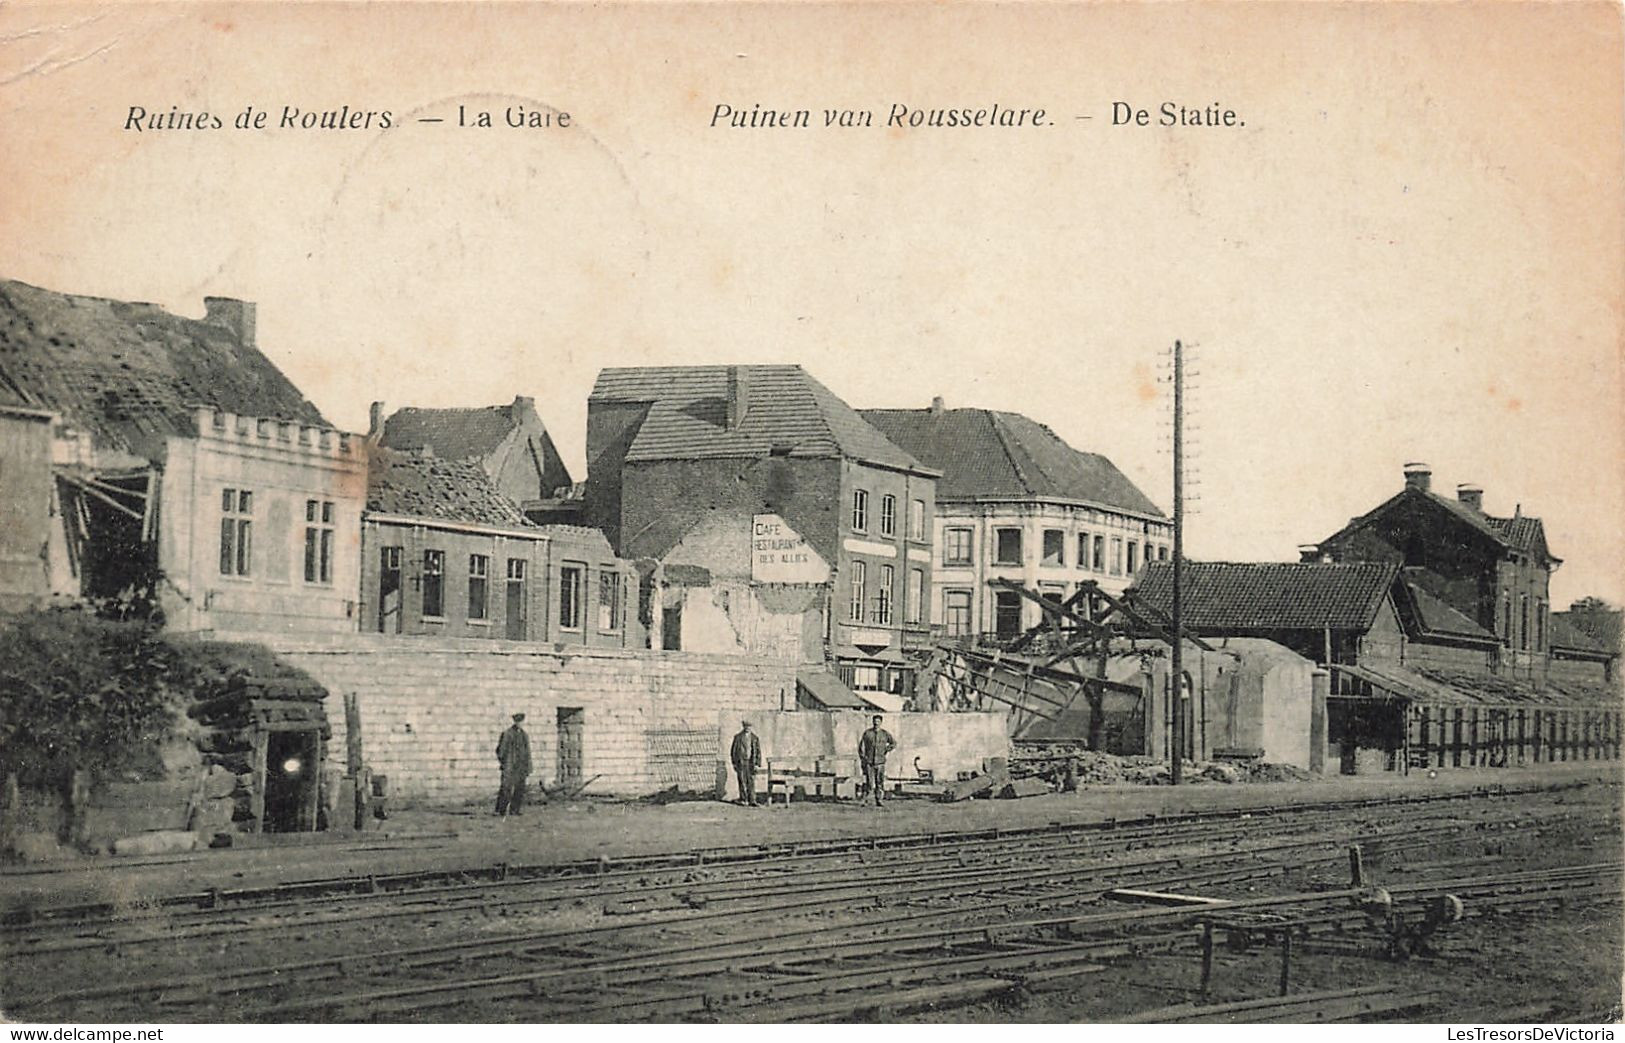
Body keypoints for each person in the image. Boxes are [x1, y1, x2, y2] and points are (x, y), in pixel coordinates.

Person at [495, 712, 532, 816]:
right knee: (506, 788)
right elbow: (500, 750)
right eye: (518, 722)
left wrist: (528, 766)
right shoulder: (507, 734)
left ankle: (515, 810)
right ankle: (501, 810)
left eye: (521, 722)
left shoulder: (524, 735)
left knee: (520, 788)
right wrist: (505, 762)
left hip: (521, 766)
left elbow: (528, 752)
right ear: (514, 722)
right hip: (510, 766)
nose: (520, 724)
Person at [857, 714, 896, 807]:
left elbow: (893, 743)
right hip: (869, 762)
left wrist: (886, 749)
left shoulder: (885, 734)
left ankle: (879, 800)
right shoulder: (867, 733)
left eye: (878, 721)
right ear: (872, 722)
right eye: (875, 721)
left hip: (880, 762)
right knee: (869, 783)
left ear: (881, 722)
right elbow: (861, 747)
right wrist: (864, 758)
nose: (876, 723)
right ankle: (865, 800)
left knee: (880, 782)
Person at [730, 720, 762, 806]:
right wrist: (734, 763)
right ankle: (744, 799)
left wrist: (757, 764)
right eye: (746, 726)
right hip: (741, 762)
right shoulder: (738, 737)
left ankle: (752, 800)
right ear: (743, 726)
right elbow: (733, 751)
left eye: (749, 726)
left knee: (751, 781)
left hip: (751, 762)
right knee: (742, 780)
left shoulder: (755, 738)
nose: (747, 728)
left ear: (751, 727)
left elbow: (758, 752)